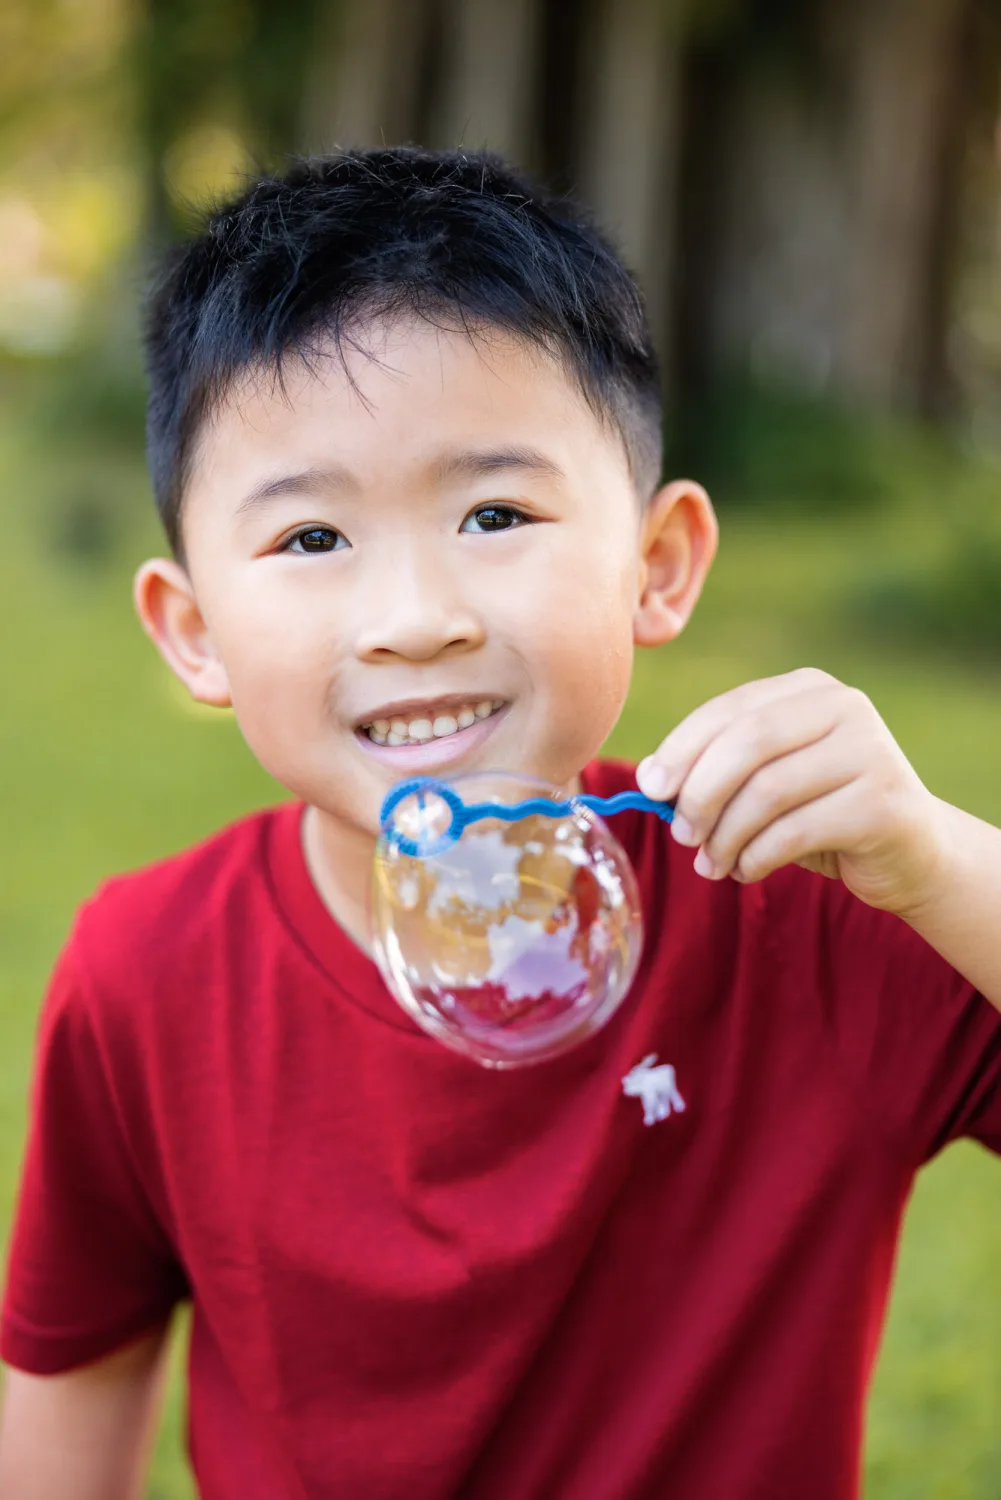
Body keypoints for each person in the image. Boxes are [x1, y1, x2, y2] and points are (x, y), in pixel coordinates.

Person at [0, 146, 998, 1500]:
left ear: (658, 566)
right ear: (194, 636)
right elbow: (68, 1406)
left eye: (495, 513)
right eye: (310, 540)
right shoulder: (146, 975)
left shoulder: (803, 904)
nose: (419, 618)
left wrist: (933, 859)